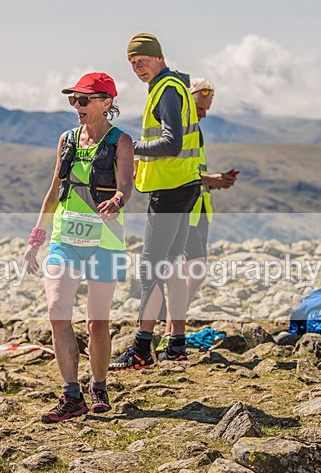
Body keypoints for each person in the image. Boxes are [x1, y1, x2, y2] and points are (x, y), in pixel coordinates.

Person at [23, 72, 134, 423]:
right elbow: (54, 191)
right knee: (57, 312)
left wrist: (118, 199)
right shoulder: (67, 139)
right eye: (74, 100)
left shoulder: (121, 141)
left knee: (97, 324)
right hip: (65, 240)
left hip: (105, 242)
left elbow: (126, 184)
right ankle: (71, 395)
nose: (77, 105)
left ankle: (99, 386)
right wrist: (36, 240)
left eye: (84, 100)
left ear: (106, 103)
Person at [109, 33, 201, 371]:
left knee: (150, 268)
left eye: (142, 60)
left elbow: (171, 143)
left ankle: (140, 349)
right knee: (171, 265)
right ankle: (176, 344)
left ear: (159, 57)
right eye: (133, 63)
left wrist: (130, 147)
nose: (138, 67)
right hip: (184, 185)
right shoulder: (173, 86)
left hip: (170, 189)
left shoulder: (166, 90)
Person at [158, 77, 238, 351]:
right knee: (189, 271)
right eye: (200, 108)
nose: (203, 114)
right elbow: (174, 168)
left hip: (199, 208)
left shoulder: (194, 129)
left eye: (206, 109)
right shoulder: (179, 127)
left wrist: (214, 182)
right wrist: (210, 179)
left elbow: (192, 169)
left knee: (194, 271)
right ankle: (171, 330)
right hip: (185, 208)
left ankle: (171, 328)